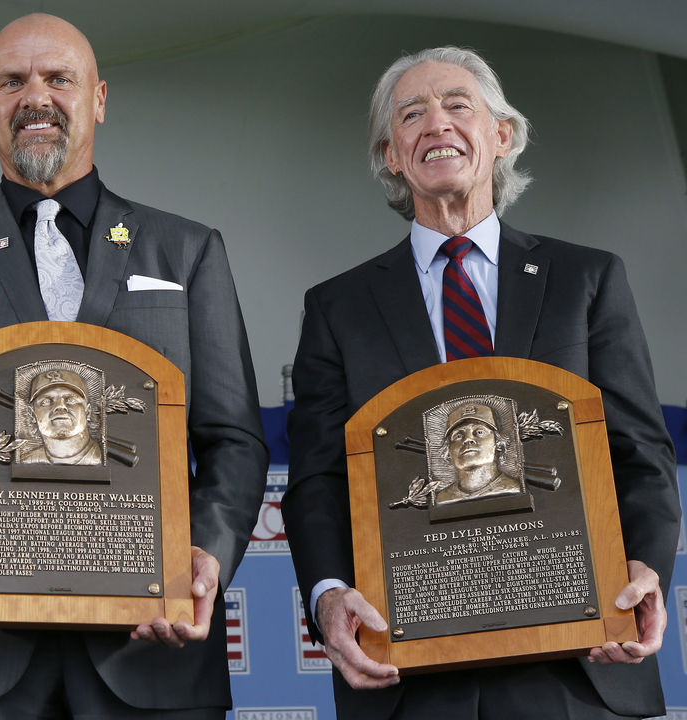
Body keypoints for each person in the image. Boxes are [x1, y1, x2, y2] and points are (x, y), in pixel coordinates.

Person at [0, 13, 268, 718]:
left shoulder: (187, 250)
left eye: (58, 79)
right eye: (12, 82)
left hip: (150, 649)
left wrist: (204, 557)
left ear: (98, 99)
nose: (35, 97)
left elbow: (232, 435)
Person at [283, 46, 679, 719]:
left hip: (577, 664)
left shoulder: (585, 280)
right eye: (412, 114)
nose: (435, 123)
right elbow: (317, 478)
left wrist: (643, 569)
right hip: (411, 673)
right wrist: (327, 595)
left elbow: (639, 452)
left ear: (502, 135)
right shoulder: (338, 307)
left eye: (456, 105)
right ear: (392, 155)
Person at [433, 401, 520, 504]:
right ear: (448, 451)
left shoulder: (514, 488)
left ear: (498, 443)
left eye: (479, 432)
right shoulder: (441, 498)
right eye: (458, 436)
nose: (468, 439)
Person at [21, 368, 103, 465]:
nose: (60, 406)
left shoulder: (104, 457)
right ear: (32, 415)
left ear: (88, 411)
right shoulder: (26, 461)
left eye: (70, 399)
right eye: (46, 401)